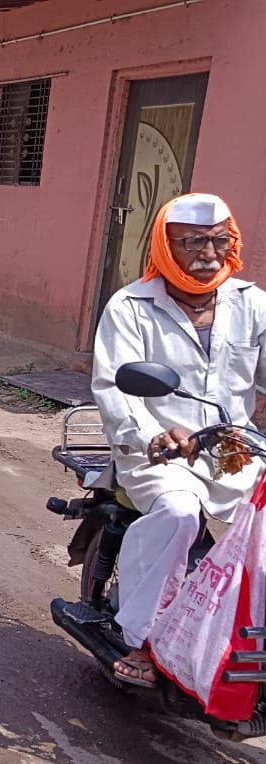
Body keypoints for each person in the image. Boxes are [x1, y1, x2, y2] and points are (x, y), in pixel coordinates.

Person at [93, 193, 266, 687]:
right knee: (179, 512)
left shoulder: (253, 303)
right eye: (192, 242)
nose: (209, 253)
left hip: (236, 452)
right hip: (161, 457)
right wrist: (152, 435)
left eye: (220, 241)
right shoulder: (131, 306)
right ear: (166, 246)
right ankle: (144, 640)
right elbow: (114, 387)